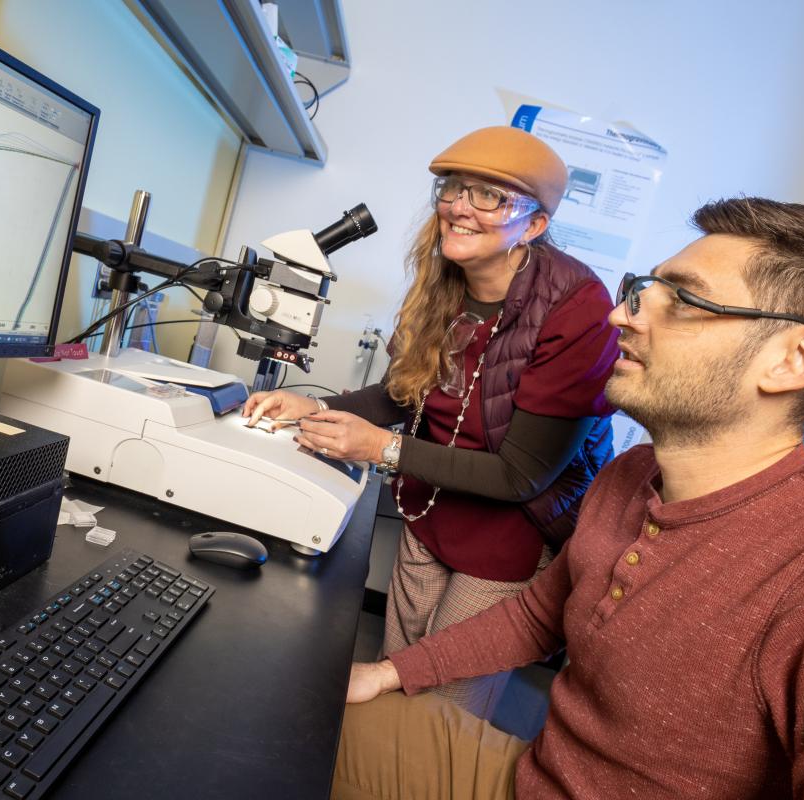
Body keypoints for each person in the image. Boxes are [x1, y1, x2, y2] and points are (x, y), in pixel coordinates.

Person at [333, 197, 804, 800]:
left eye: (685, 300)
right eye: (644, 289)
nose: (620, 317)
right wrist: (387, 672)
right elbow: (539, 613)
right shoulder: (632, 474)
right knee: (302, 716)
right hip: (529, 777)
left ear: (797, 358)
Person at [243, 127, 619, 716]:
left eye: (491, 196)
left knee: (440, 709)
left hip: (512, 534)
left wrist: (382, 451)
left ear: (536, 225)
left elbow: (522, 476)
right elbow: (404, 393)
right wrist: (317, 407)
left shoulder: (579, 309)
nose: (461, 207)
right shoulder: (443, 278)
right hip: (429, 508)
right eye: (454, 188)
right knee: (389, 680)